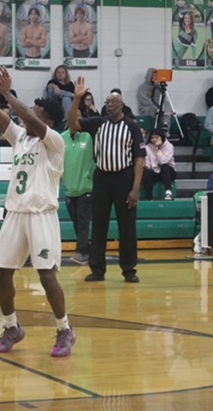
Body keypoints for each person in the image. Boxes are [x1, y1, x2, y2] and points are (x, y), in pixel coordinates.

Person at [0, 66, 76, 357]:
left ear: (47, 121)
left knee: (47, 276)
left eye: (33, 113)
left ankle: (64, 329)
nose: (25, 115)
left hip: (41, 214)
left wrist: (8, 93)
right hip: (16, 214)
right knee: (2, 273)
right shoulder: (21, 137)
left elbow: (28, 116)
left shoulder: (56, 141)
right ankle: (11, 326)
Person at [69, 77, 145, 283]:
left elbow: (140, 159)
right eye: (107, 102)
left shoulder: (132, 126)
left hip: (125, 178)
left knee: (127, 227)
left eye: (113, 102)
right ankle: (97, 269)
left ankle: (129, 270)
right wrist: (77, 99)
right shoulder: (97, 123)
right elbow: (72, 124)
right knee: (99, 225)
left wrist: (135, 187)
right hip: (102, 178)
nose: (109, 105)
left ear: (121, 105)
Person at [60, 118, 95, 265]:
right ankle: (86, 247)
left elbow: (97, 157)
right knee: (76, 221)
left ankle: (82, 251)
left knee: (83, 221)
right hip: (69, 187)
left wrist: (91, 173)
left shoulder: (89, 136)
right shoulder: (62, 138)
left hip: (86, 187)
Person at [143, 130, 176, 201]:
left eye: (157, 137)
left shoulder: (169, 146)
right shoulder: (147, 147)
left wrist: (157, 150)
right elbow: (147, 161)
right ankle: (150, 198)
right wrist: (147, 167)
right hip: (155, 171)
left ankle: (168, 193)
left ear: (162, 137)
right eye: (152, 138)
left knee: (164, 166)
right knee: (147, 173)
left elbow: (164, 161)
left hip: (169, 172)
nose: (154, 139)